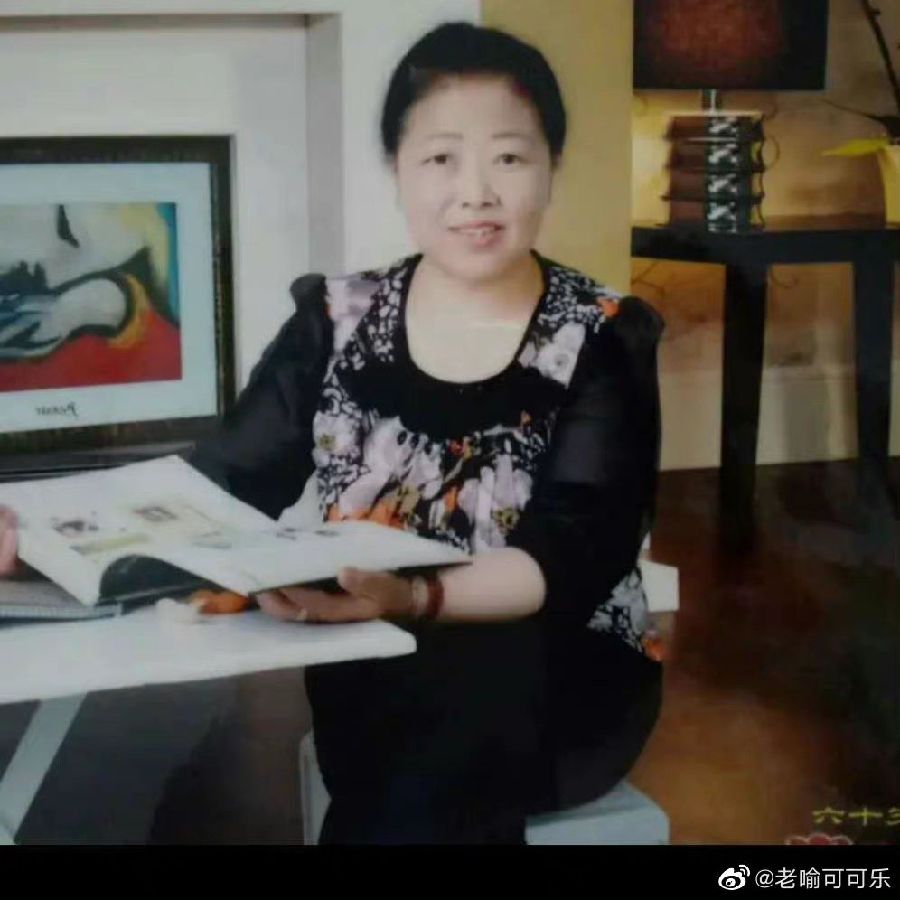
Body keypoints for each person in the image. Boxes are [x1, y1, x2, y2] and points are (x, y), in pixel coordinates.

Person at [0, 21, 664, 844]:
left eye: (509, 158)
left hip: (562, 677)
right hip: (377, 662)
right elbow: (223, 483)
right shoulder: (337, 318)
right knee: (401, 724)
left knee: (441, 725)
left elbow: (575, 553)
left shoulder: (602, 335)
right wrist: (40, 539)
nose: (475, 192)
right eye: (440, 158)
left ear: (550, 165)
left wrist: (418, 598)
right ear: (398, 169)